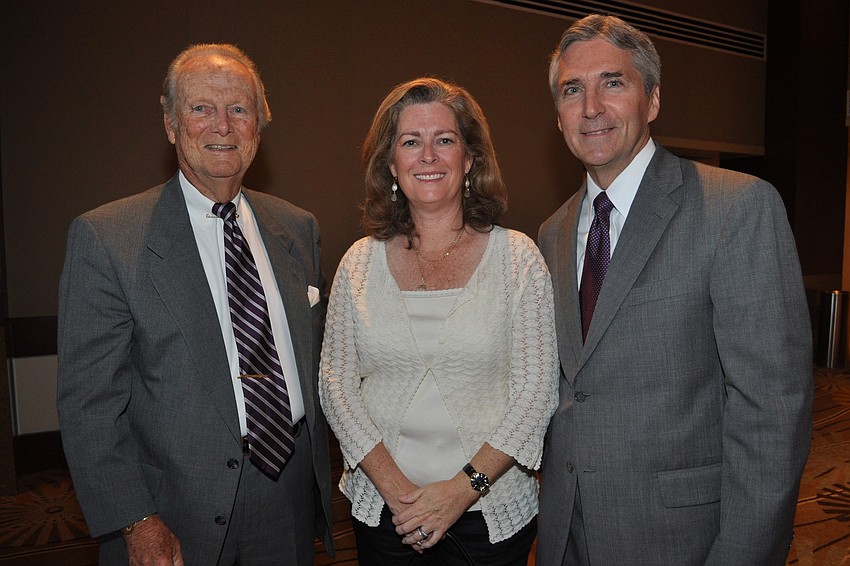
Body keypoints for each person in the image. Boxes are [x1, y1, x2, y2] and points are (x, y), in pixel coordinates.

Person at [536, 14, 813, 565]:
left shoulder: (736, 207)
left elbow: (772, 412)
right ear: (559, 114)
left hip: (683, 540)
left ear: (653, 100)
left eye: (612, 82)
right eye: (573, 89)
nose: (591, 106)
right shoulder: (551, 232)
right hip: (568, 534)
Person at [57, 44, 333, 565]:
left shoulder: (298, 228)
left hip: (288, 494)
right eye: (201, 108)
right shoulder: (107, 237)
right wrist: (136, 522)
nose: (222, 126)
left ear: (260, 125)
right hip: (171, 510)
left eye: (239, 109)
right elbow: (89, 407)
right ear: (170, 124)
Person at [319, 77, 558, 565]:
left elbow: (536, 392)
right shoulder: (359, 264)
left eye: (444, 140)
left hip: (491, 517)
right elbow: (335, 386)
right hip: (388, 516)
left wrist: (460, 491)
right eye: (411, 142)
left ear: (470, 159)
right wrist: (399, 492)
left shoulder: (518, 259)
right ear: (391, 163)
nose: (428, 155)